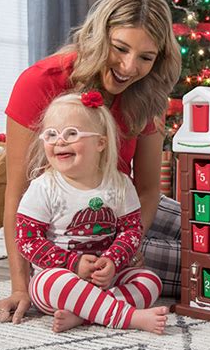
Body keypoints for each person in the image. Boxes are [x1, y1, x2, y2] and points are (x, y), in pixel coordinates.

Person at [0, 0, 182, 325]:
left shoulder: (148, 94)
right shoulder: (40, 82)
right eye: (120, 48)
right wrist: (19, 287)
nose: (129, 66)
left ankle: (88, 308)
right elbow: (17, 192)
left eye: (146, 58)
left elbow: (148, 189)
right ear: (98, 36)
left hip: (124, 204)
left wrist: (128, 246)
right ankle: (109, 309)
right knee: (197, 264)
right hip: (66, 221)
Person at [11, 92, 168, 333]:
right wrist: (72, 264)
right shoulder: (43, 187)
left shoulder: (120, 184)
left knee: (150, 281)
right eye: (51, 134)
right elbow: (27, 240)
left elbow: (131, 231)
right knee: (50, 284)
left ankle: (84, 315)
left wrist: (113, 261)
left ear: (100, 143)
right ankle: (127, 317)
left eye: (71, 134)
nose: (59, 141)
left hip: (106, 278)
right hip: (61, 277)